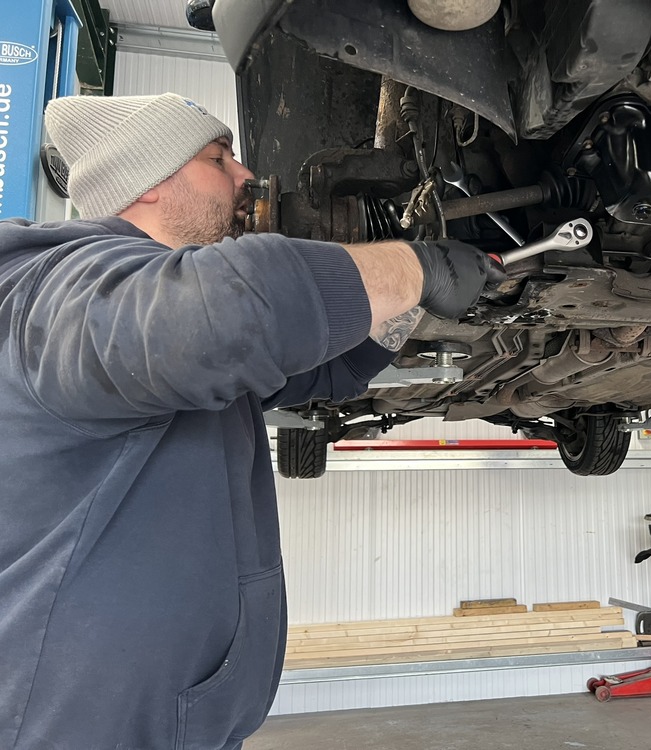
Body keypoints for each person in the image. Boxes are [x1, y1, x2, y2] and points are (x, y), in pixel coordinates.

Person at [0, 92, 502, 749]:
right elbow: (239, 307)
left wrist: (414, 299)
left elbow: (324, 371)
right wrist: (417, 266)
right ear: (147, 183)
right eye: (218, 159)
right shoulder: (58, 289)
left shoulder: (150, 344)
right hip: (74, 726)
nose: (245, 176)